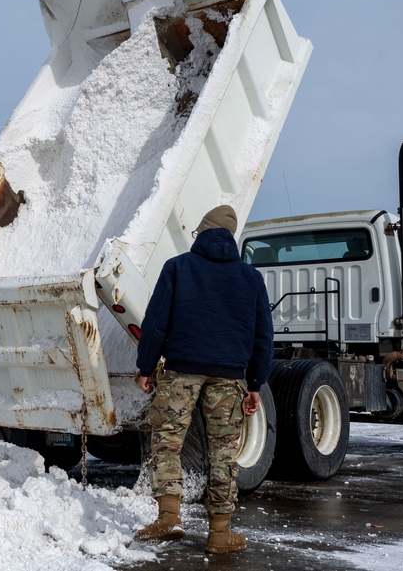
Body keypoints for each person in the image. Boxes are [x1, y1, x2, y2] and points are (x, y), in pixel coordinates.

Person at [133, 205, 273, 553]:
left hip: (181, 372)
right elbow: (263, 337)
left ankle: (168, 517)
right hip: (229, 378)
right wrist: (255, 384)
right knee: (223, 454)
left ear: (201, 234)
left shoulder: (178, 267)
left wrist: (146, 367)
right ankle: (220, 534)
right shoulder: (251, 278)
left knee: (167, 442)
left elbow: (155, 323)